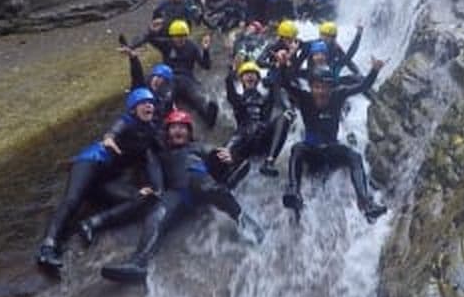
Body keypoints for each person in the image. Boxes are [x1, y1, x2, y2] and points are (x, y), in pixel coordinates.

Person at [100, 110, 264, 283]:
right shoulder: (160, 154)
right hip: (177, 194)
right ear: (167, 133)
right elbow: (145, 155)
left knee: (210, 186)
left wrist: (232, 158)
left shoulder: (199, 147)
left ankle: (246, 223)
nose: (178, 131)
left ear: (189, 132)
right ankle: (137, 263)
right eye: (174, 128)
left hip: (200, 182)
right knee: (156, 216)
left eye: (182, 128)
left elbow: (235, 162)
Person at [36, 88, 163, 269]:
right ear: (133, 109)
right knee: (72, 200)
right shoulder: (126, 121)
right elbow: (114, 131)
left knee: (143, 198)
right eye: (144, 103)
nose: (149, 105)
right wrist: (109, 138)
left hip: (105, 180)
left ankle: (90, 224)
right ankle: (47, 248)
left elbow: (157, 157)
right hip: (92, 163)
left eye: (151, 103)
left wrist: (155, 188)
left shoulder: (150, 131)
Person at [280, 63, 387, 223]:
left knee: (354, 156)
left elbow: (363, 85)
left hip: (331, 150)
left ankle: (365, 202)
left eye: (325, 88)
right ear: (311, 87)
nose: (321, 92)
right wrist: (282, 64)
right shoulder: (304, 97)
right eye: (317, 87)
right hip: (312, 152)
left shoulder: (338, 95)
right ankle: (294, 191)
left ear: (331, 88)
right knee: (297, 149)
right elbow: (284, 83)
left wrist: (374, 70)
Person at [220, 59, 290, 186]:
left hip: (262, 138)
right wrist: (231, 71)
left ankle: (269, 162)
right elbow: (230, 91)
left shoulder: (265, 100)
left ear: (258, 80)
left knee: (284, 117)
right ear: (241, 80)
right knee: (224, 151)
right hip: (243, 137)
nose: (250, 76)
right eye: (246, 74)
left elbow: (276, 85)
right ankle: (226, 179)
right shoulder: (238, 100)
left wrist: (280, 66)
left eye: (253, 74)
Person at [146, 19, 219, 127]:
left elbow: (206, 66)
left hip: (187, 78)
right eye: (177, 36)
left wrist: (205, 50)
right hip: (170, 78)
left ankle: (208, 116)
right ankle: (159, 122)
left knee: (197, 97)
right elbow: (151, 39)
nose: (180, 39)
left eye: (183, 36)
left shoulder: (192, 47)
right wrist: (151, 30)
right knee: (167, 98)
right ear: (172, 36)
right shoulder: (167, 44)